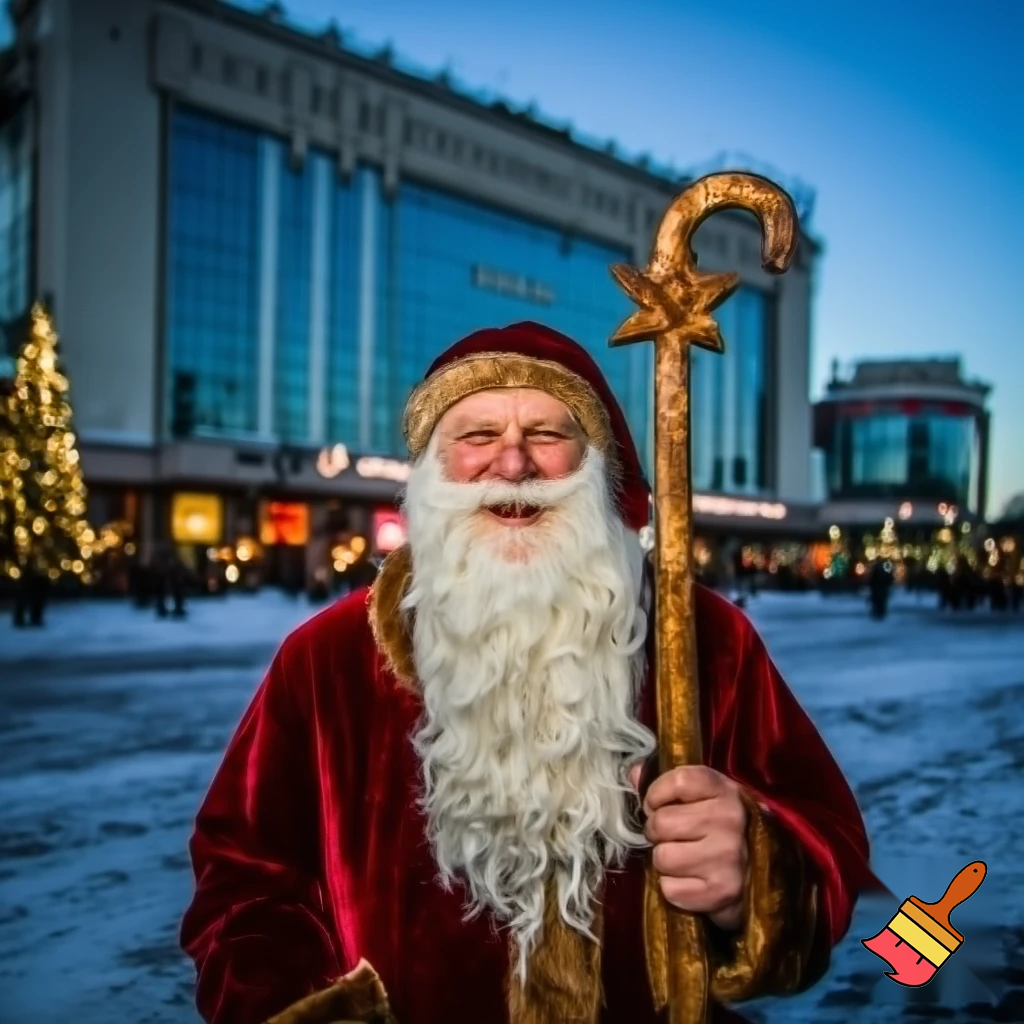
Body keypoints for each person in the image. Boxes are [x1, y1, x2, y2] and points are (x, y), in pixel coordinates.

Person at [180, 323, 875, 1024]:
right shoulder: (325, 659)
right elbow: (244, 882)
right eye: (477, 435)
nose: (512, 465)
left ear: (598, 467)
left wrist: (756, 872)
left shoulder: (702, 643)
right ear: (429, 472)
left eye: (547, 432)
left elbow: (828, 841)